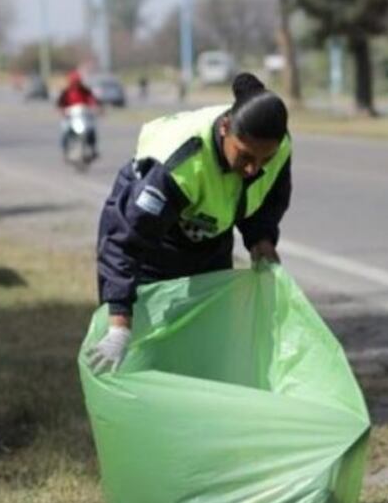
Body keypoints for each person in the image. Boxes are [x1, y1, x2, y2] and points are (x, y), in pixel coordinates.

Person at [88, 72, 292, 373]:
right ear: (225, 128)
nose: (253, 168)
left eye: (264, 160)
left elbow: (266, 197)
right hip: (154, 244)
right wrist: (119, 323)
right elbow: (126, 243)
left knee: (208, 347)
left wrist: (261, 238)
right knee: (148, 352)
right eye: (245, 156)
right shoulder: (179, 165)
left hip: (209, 238)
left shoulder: (275, 148)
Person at [56, 70, 100, 155]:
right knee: (65, 132)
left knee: (91, 130)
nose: (76, 84)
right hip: (70, 117)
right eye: (74, 82)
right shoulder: (66, 92)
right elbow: (60, 103)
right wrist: (61, 110)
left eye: (77, 82)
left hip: (83, 116)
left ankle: (93, 148)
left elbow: (93, 100)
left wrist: (96, 108)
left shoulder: (85, 90)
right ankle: (64, 149)